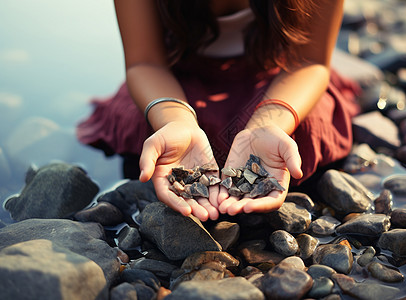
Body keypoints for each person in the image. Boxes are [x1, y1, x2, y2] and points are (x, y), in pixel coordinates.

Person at [77, 0, 360, 222]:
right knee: (164, 132)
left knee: (303, 130)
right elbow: (145, 63)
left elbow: (310, 62)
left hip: (280, 81)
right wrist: (176, 121)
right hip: (171, 84)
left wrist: (267, 122)